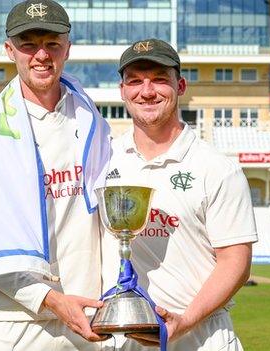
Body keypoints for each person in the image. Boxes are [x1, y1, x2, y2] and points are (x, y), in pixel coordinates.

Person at [0, 1, 110, 350]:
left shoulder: (92, 121)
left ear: (67, 49)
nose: (41, 54)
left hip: (85, 318)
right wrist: (51, 300)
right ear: (9, 50)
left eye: (52, 43)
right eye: (28, 43)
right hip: (8, 320)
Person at [102, 38, 258, 350]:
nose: (147, 91)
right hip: (123, 339)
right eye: (135, 81)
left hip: (201, 336)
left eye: (160, 80)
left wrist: (184, 322)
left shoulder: (217, 168)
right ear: (122, 91)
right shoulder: (104, 159)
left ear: (181, 86)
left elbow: (235, 262)